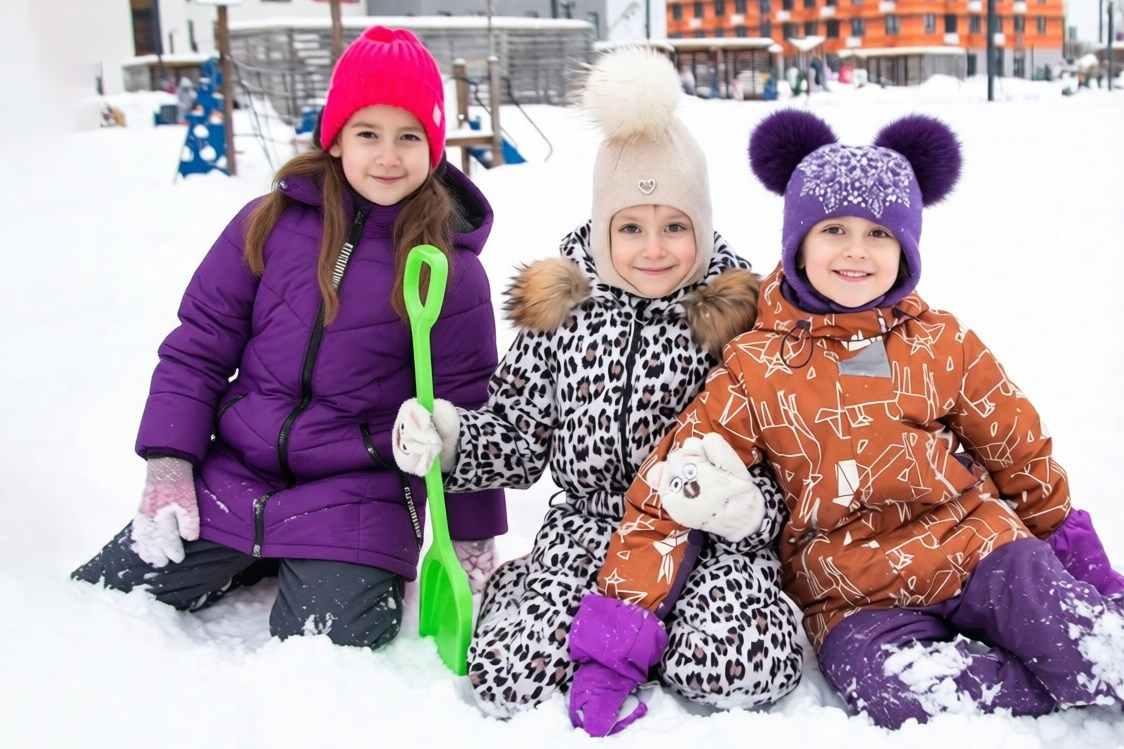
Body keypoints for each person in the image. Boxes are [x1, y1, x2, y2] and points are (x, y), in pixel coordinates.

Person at [589, 109, 1124, 729]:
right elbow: (673, 490)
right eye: (833, 229)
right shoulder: (756, 368)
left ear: (906, 248)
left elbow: (1019, 449)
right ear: (797, 242)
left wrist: (1087, 572)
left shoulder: (941, 343)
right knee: (890, 691)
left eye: (879, 233)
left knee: (1082, 640)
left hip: (981, 551)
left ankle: (1086, 655)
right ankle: (1042, 684)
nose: (855, 251)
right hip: (854, 593)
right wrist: (612, 652)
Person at [392, 47, 803, 737]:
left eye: (675, 226)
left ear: (701, 226)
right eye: (631, 227)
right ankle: (547, 603)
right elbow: (519, 434)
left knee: (737, 670)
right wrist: (452, 438)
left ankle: (661, 636)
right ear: (602, 225)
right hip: (587, 532)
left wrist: (746, 510)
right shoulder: (566, 309)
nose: (654, 249)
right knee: (507, 679)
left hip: (703, 537)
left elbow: (786, 456)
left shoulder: (741, 318)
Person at [71, 26, 507, 651]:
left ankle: (304, 560)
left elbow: (465, 409)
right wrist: (170, 463)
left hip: (360, 494)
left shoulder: (449, 268)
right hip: (235, 474)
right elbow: (200, 343)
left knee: (328, 643)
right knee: (107, 595)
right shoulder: (266, 224)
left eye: (409, 136)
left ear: (434, 148)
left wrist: (470, 538)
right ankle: (252, 552)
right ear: (335, 138)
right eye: (368, 133)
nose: (388, 156)